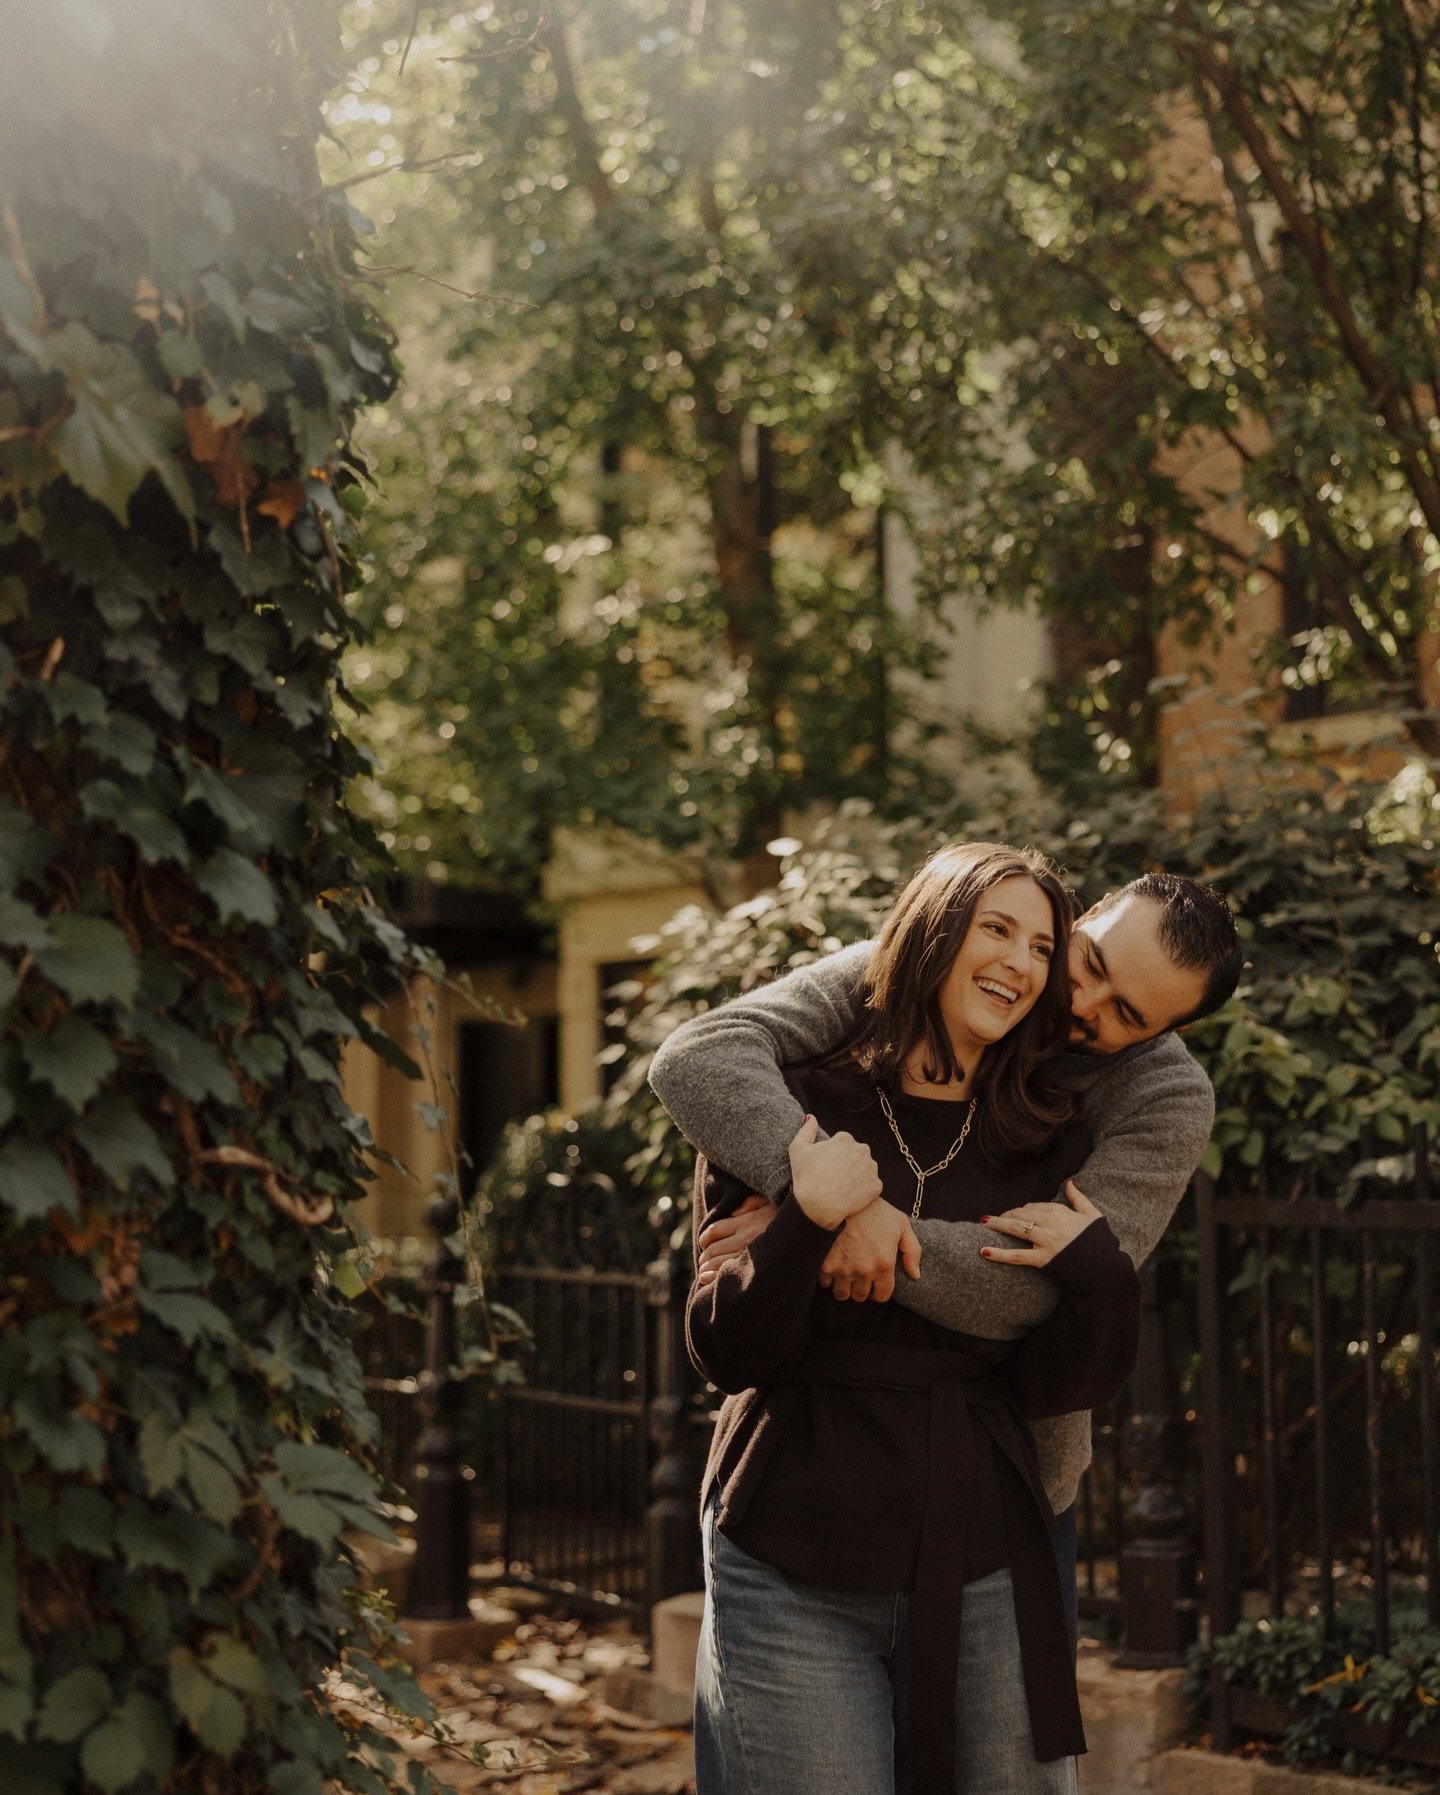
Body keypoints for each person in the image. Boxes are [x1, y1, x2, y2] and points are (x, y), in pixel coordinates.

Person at [652, 870, 1241, 1639]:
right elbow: (699, 1056)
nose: (1082, 1005)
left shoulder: (1164, 1096)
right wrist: (831, 1202)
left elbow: (1037, 1291)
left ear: (1167, 1030)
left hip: (1010, 1485)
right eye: (1090, 962)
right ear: (1087, 915)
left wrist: (829, 1226)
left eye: (1126, 1012)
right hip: (818, 1464)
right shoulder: (925, 969)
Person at [684, 842, 1143, 1795]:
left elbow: (1059, 1373)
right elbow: (728, 1345)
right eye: (996, 928)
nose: (1019, 962)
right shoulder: (794, 1104)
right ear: (936, 931)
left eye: (1042, 946)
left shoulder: (1051, 1141)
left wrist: (1091, 1269)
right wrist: (815, 1214)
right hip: (787, 1555)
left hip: (986, 1559)